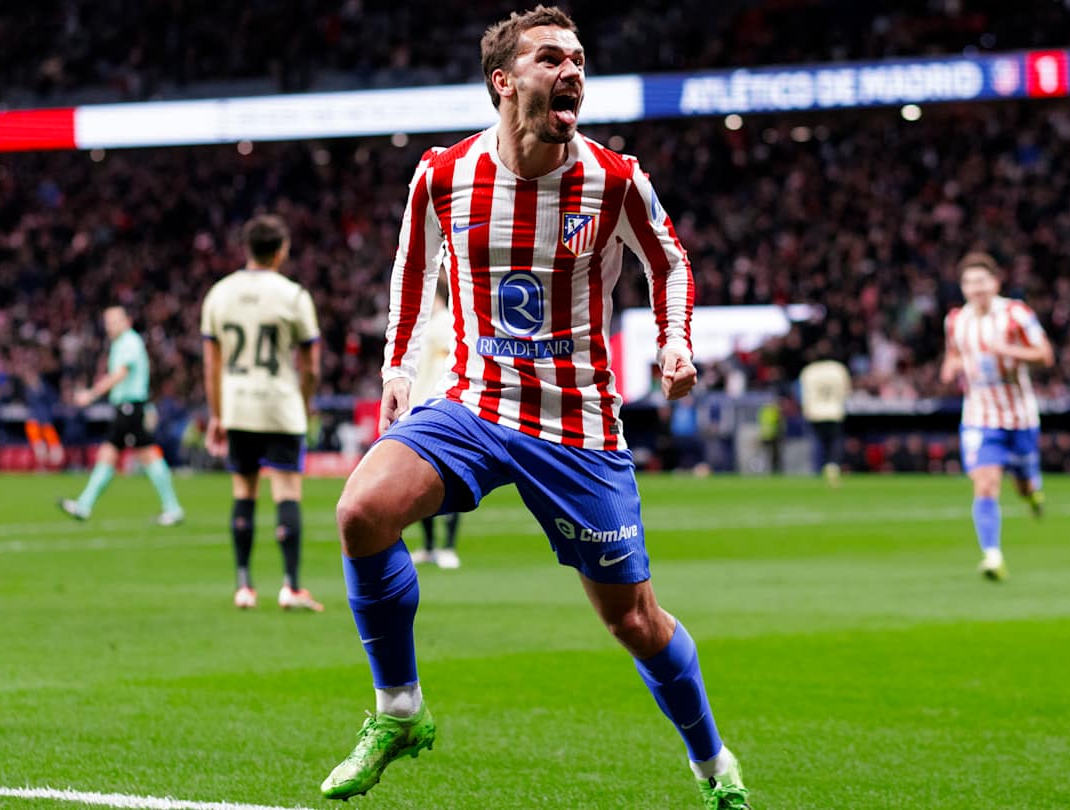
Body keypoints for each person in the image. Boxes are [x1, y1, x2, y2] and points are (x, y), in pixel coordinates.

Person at [320, 8, 750, 808]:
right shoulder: (443, 174)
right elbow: (412, 272)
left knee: (634, 622)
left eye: (579, 59)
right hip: (475, 405)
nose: (572, 71)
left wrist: (674, 342)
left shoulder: (614, 179)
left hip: (577, 426)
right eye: (551, 58)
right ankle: (399, 709)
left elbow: (671, 263)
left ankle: (712, 761)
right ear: (504, 81)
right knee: (361, 512)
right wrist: (398, 370)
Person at [200, 215, 324, 612]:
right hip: (280, 405)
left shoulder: (219, 294)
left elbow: (211, 363)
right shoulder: (294, 296)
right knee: (286, 491)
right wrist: (303, 404)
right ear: (281, 251)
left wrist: (217, 414)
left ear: (247, 248)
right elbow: (311, 366)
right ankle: (291, 586)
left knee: (243, 492)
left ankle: (244, 586)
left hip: (237, 406)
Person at [940, 252, 1054, 581]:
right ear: (962, 287)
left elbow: (1045, 355)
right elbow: (954, 353)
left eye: (981, 281)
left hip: (1019, 416)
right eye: (969, 282)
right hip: (979, 415)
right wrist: (950, 368)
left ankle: (1032, 493)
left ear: (995, 283)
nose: (975, 288)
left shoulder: (1016, 314)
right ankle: (992, 556)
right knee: (986, 483)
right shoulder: (956, 320)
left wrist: (1008, 351)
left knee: (1022, 484)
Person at [59, 306, 184, 525]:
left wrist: (92, 394)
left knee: (146, 455)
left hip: (130, 407)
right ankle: (84, 504)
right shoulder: (121, 343)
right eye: (107, 322)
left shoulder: (129, 342)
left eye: (114, 321)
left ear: (127, 321)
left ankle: (173, 508)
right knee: (108, 454)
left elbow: (121, 373)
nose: (110, 326)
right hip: (125, 408)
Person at [409, 279, 461, 569]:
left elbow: (444, 369)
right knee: (423, 483)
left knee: (447, 480)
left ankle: (448, 547)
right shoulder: (429, 326)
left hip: (437, 410)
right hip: (422, 410)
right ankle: (430, 547)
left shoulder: (445, 324)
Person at [797, 347, 852, 486]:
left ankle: (817, 470)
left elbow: (803, 394)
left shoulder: (809, 371)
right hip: (834, 411)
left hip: (815, 412)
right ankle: (833, 468)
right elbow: (846, 391)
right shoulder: (838, 369)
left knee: (817, 443)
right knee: (834, 443)